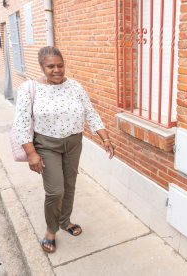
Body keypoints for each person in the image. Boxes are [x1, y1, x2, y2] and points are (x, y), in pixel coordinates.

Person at [12, 46, 114, 253]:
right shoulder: (29, 88)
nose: (56, 70)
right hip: (46, 145)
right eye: (51, 66)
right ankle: (51, 230)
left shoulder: (75, 86)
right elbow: (21, 124)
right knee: (55, 191)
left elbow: (90, 113)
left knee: (69, 185)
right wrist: (32, 153)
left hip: (73, 143)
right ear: (42, 67)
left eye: (60, 65)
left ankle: (65, 221)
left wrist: (105, 138)